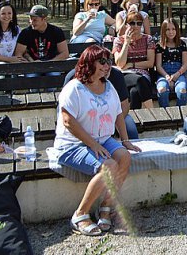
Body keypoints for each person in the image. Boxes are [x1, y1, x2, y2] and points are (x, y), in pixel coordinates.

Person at [53, 45, 140, 236]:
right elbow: (68, 121)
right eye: (102, 61)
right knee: (109, 166)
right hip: (73, 144)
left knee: (124, 157)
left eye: (108, 61)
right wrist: (93, 145)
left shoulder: (108, 86)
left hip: (103, 138)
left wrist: (125, 140)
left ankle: (105, 208)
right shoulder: (74, 88)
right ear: (89, 62)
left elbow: (118, 114)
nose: (107, 66)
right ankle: (80, 214)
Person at [111, 8, 155, 109]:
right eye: (132, 23)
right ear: (126, 25)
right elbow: (120, 64)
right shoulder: (119, 40)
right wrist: (126, 43)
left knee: (134, 92)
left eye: (139, 23)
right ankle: (153, 112)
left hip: (142, 74)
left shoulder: (148, 39)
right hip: (124, 74)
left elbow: (150, 63)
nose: (135, 26)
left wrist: (132, 64)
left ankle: (135, 118)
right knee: (139, 81)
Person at [155, 18, 187, 107]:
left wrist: (177, 74)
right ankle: (165, 113)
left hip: (179, 73)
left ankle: (180, 113)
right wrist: (167, 77)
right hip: (163, 73)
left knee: (182, 90)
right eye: (168, 29)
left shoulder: (182, 44)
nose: (171, 32)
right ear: (163, 31)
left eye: (173, 29)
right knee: (162, 89)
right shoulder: (159, 45)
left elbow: (185, 64)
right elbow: (158, 66)